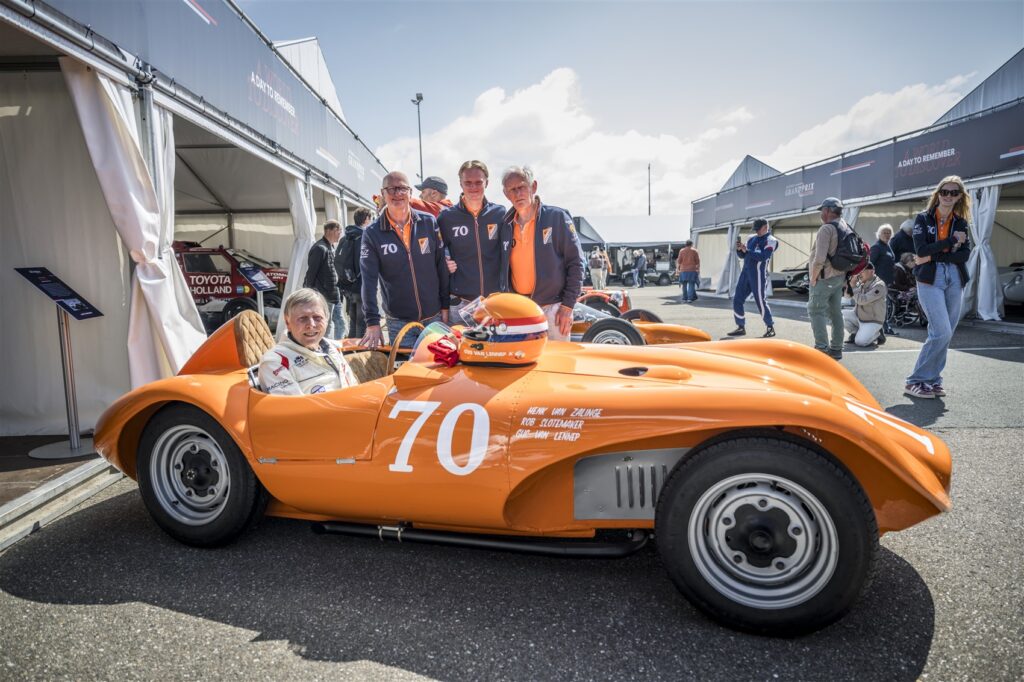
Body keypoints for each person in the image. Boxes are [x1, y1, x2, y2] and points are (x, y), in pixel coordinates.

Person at [359, 171, 450, 350]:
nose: (397, 194)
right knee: (405, 375)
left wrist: (445, 307)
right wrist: (372, 322)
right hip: (399, 322)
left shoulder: (428, 222)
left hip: (434, 318)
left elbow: (441, 266)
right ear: (383, 194)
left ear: (410, 193)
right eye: (391, 189)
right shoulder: (372, 233)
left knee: (439, 371)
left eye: (402, 188)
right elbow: (368, 280)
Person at [904, 175, 972, 400]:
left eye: (954, 192)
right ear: (938, 194)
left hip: (954, 276)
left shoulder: (961, 222)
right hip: (930, 279)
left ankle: (933, 379)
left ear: (960, 196)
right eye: (945, 191)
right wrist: (951, 242)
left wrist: (936, 253)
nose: (948, 196)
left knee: (946, 333)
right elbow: (921, 251)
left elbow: (965, 254)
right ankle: (916, 380)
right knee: (941, 330)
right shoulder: (923, 219)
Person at [501, 165, 583, 342]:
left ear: (533, 187)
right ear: (506, 194)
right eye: (512, 190)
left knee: (559, 365)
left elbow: (576, 263)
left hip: (554, 309)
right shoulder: (505, 225)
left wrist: (568, 306)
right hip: (522, 310)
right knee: (526, 366)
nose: (517, 193)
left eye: (522, 187)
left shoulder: (557, 217)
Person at [437, 160, 509, 323]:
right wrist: (443, 262)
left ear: (487, 183)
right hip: (460, 304)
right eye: (468, 183)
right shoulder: (446, 218)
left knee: (494, 349)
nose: (473, 187)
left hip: (493, 303)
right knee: (461, 349)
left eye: (478, 182)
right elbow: (435, 256)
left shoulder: (500, 213)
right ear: (460, 184)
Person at [258, 288, 358, 395]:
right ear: (288, 323)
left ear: (327, 319)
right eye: (303, 318)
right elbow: (296, 409)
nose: (311, 325)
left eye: (317, 317)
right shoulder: (274, 361)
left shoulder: (330, 346)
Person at [807, 197, 850, 360]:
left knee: (815, 310)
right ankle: (837, 348)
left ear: (827, 210)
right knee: (835, 312)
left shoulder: (826, 229)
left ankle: (821, 348)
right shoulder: (845, 225)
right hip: (839, 277)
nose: (820, 213)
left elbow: (819, 258)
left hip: (825, 278)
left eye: (821, 210)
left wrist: (813, 277)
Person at [726, 219, 777, 337]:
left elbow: (763, 256)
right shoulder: (751, 238)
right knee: (737, 298)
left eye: (758, 229)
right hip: (746, 273)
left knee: (760, 301)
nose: (756, 232)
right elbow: (743, 255)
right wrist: (740, 250)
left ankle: (770, 327)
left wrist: (747, 251)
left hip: (758, 275)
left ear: (765, 227)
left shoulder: (771, 240)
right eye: (755, 229)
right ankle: (740, 326)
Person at [302, 219, 343, 339]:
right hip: (324, 294)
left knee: (340, 322)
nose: (340, 234)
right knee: (327, 324)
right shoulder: (319, 248)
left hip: (334, 293)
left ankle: (339, 347)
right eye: (339, 231)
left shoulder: (330, 247)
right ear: (332, 230)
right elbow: (311, 273)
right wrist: (310, 293)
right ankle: (326, 348)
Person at [337, 208, 372, 339]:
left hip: (347, 286)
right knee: (362, 323)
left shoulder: (344, 237)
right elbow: (364, 263)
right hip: (360, 286)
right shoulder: (364, 237)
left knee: (353, 321)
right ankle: (358, 352)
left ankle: (350, 351)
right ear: (366, 219)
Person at [842, 262, 887, 347]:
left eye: (862, 271)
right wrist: (851, 285)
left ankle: (877, 333)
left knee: (860, 342)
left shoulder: (879, 286)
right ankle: (855, 333)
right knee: (838, 314)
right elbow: (847, 297)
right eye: (858, 271)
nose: (859, 273)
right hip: (859, 316)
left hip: (872, 320)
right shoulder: (860, 281)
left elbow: (862, 300)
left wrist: (854, 288)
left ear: (872, 271)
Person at [870, 223, 897, 335]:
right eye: (884, 233)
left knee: (883, 305)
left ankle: (883, 327)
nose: (887, 235)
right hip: (878, 282)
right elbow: (870, 265)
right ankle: (883, 327)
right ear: (879, 234)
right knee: (880, 306)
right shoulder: (877, 247)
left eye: (889, 233)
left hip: (886, 282)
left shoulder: (887, 246)